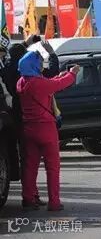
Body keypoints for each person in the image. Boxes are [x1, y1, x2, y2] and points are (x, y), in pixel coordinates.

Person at [0, 35, 60, 207]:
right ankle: (50, 201)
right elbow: (56, 75)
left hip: (19, 121)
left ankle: (29, 196)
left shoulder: (12, 75)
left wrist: (25, 43)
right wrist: (51, 54)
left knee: (28, 163)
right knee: (50, 166)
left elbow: (15, 54)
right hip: (41, 126)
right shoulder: (36, 80)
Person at [17, 51, 78, 211]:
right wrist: (72, 74)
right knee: (52, 167)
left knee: (30, 166)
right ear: (34, 65)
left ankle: (28, 198)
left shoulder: (21, 82)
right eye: (39, 62)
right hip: (45, 128)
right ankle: (54, 202)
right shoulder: (38, 83)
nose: (41, 65)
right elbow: (58, 85)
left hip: (28, 128)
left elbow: (48, 83)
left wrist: (58, 76)